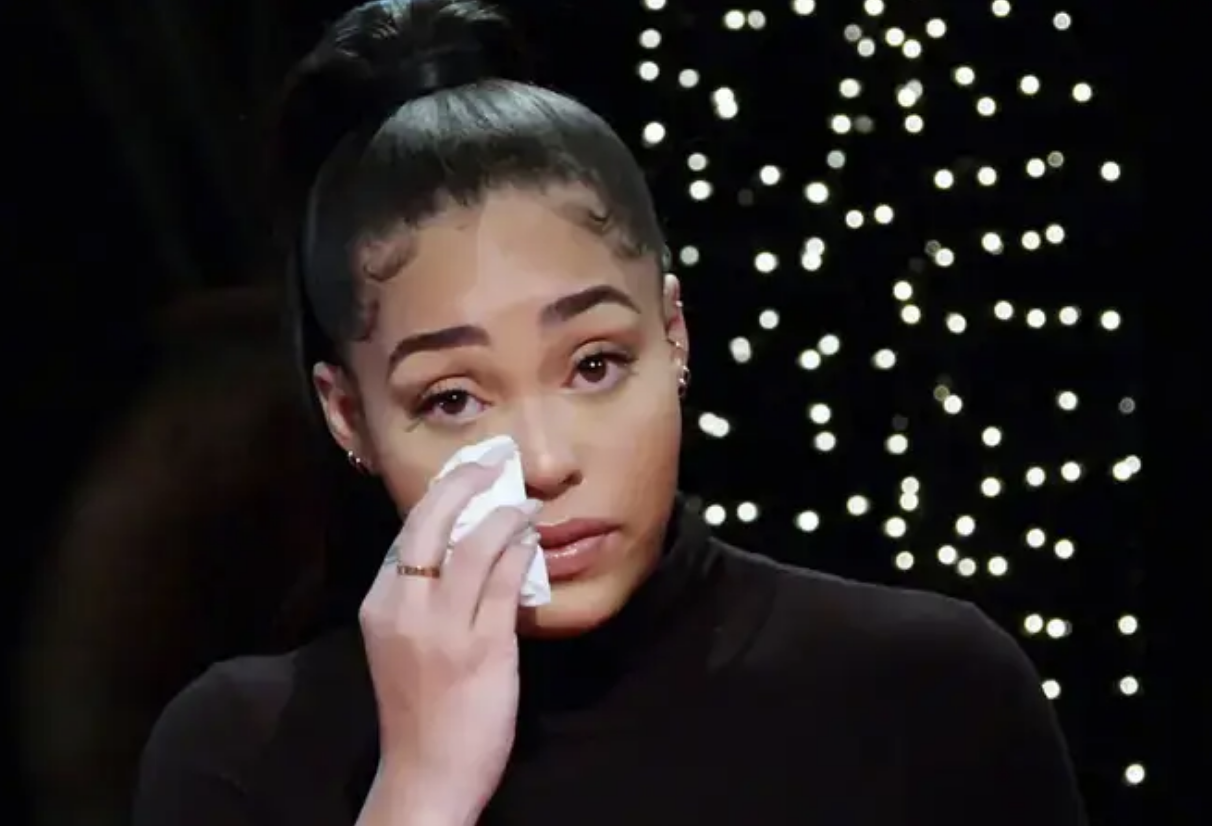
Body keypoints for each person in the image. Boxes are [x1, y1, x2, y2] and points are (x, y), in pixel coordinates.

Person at [133, 1, 1089, 824]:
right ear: (348, 419)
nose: (545, 460)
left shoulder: (929, 695)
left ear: (673, 334)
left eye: (593, 364)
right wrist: (420, 792)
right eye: (454, 398)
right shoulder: (243, 757)